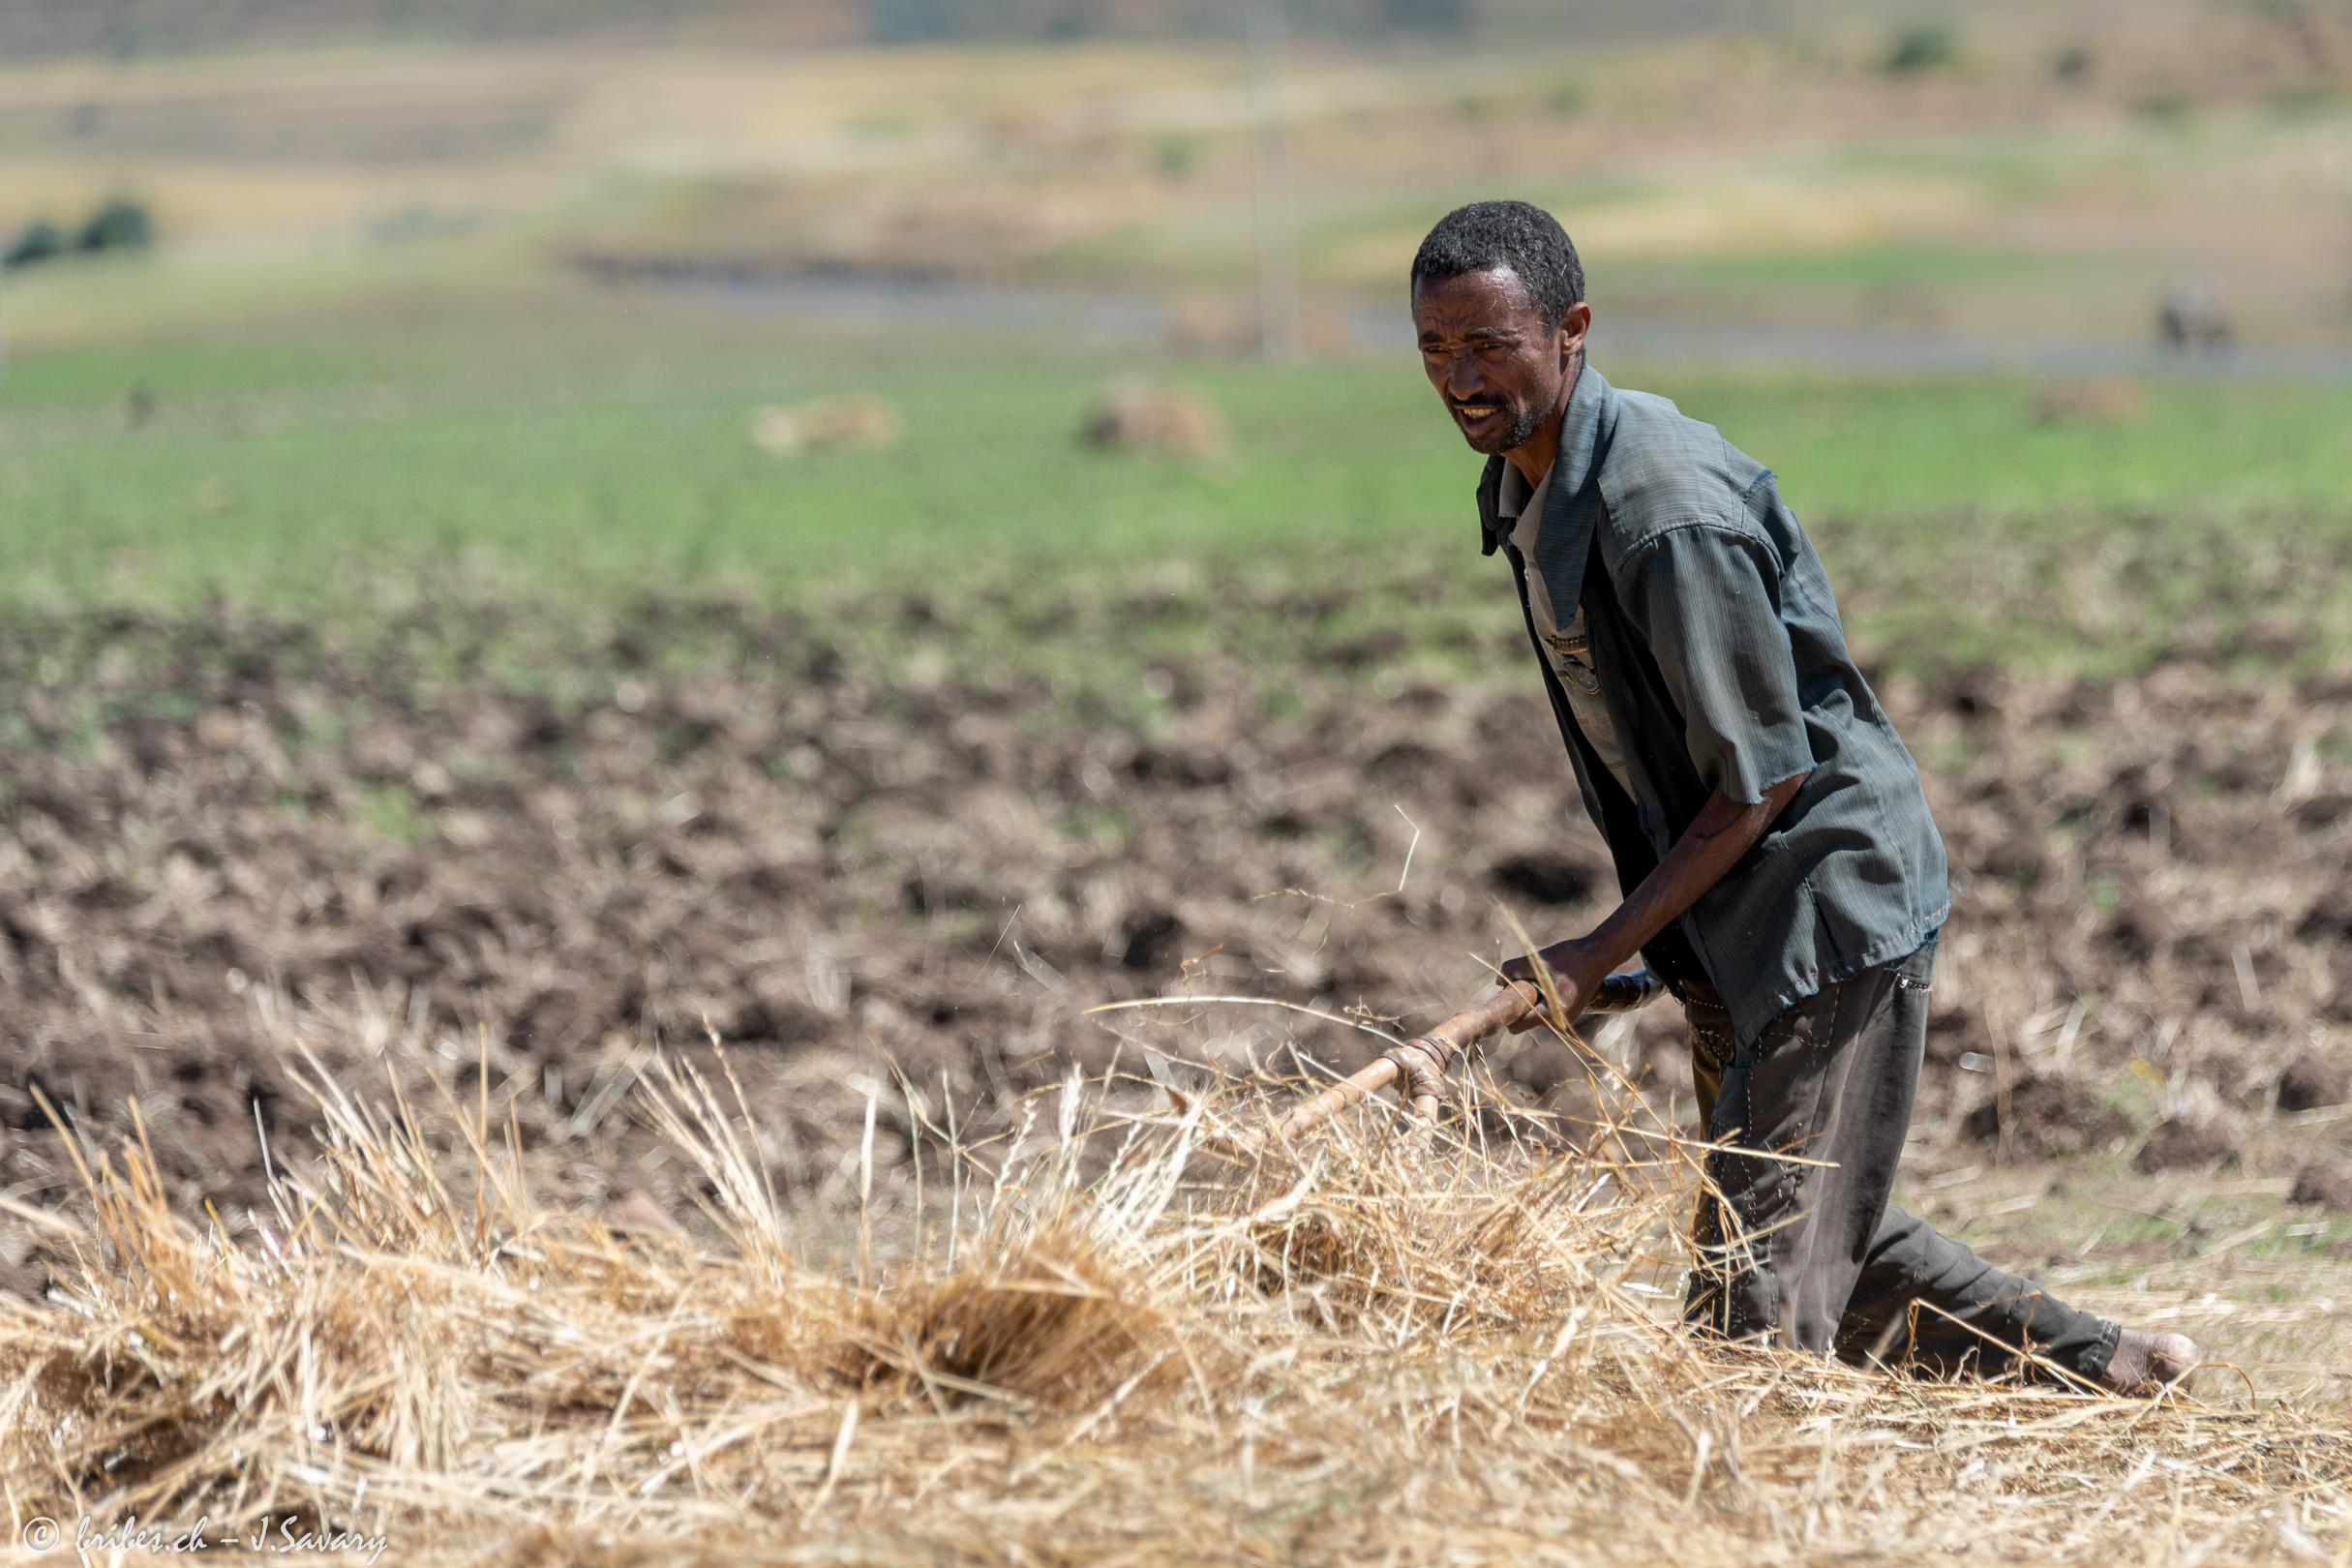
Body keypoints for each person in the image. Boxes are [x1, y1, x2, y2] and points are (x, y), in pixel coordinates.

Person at [1407, 199, 2197, 1395]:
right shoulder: (1530, 489)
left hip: (1820, 904)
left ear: (1572, 330)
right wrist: (1652, 955)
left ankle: (1757, 1476)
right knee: (1814, 1231)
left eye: (1489, 346)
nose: (1461, 379)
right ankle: (2121, 1370)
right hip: (1737, 914)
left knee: (1750, 1312)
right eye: (1435, 349)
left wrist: (1596, 951)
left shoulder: (1658, 513)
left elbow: (1763, 775)